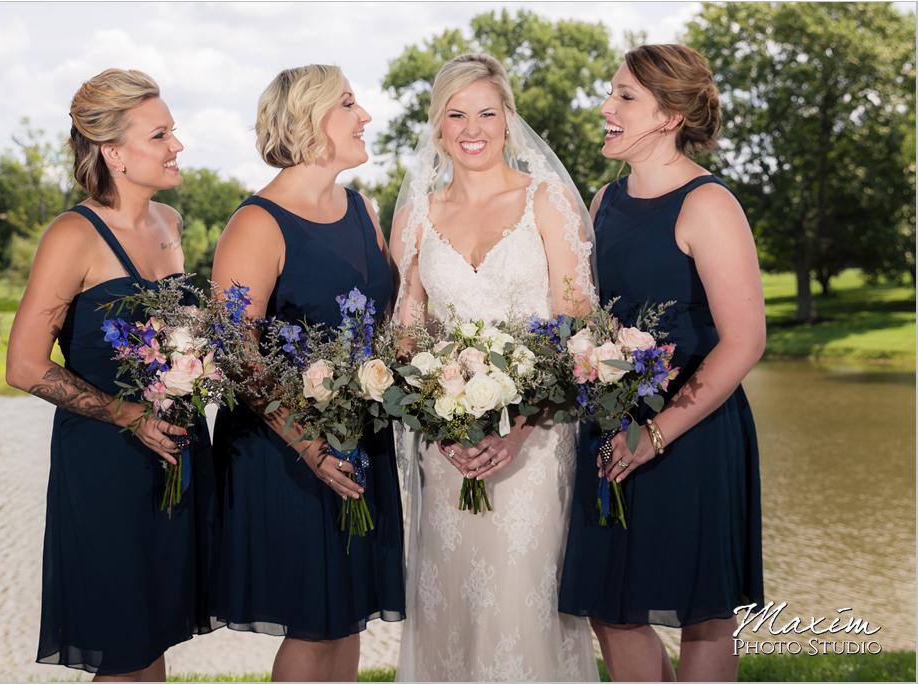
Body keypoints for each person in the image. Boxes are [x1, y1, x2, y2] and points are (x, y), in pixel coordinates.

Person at [558, 44, 765, 682]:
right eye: (611, 93)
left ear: (669, 115)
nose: (606, 107)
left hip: (692, 435)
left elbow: (745, 340)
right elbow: (586, 320)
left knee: (703, 615)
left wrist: (655, 432)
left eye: (624, 97)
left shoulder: (709, 205)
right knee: (612, 607)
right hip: (611, 430)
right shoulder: (602, 203)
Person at [390, 53, 599, 681]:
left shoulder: (548, 200)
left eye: (486, 111)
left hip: (535, 447)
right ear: (437, 126)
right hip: (447, 450)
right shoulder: (415, 217)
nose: (471, 127)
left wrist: (523, 425)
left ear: (509, 119)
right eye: (456, 113)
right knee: (452, 605)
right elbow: (405, 338)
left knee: (522, 602)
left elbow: (578, 329)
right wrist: (438, 416)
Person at [6, 68, 213, 680]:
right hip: (106, 462)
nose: (176, 145)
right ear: (115, 153)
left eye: (172, 131)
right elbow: (23, 365)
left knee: (154, 637)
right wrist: (127, 414)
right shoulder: (73, 236)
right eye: (161, 135)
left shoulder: (169, 223)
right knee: (122, 647)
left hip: (174, 452)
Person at [209, 64, 405, 682]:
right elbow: (235, 351)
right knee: (313, 626)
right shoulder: (257, 224)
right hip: (285, 452)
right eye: (349, 103)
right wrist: (312, 445)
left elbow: (385, 324)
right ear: (309, 120)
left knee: (344, 619)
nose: (366, 116)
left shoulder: (361, 209)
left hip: (357, 442)